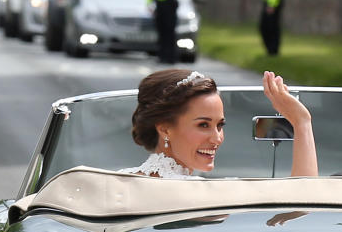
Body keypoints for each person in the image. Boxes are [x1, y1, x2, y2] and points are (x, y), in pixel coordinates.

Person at [122, 69, 317, 178]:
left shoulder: (123, 180)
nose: (217, 139)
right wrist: (302, 122)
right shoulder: (208, 195)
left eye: (220, 126)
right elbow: (304, 199)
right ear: (164, 128)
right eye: (203, 125)